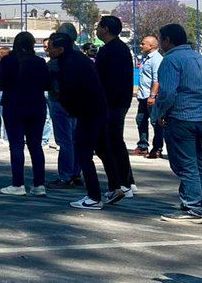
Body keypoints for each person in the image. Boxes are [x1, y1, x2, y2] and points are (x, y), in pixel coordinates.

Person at [153, 24, 202, 222]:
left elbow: (168, 92)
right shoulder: (200, 58)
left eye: (161, 39)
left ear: (168, 40)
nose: (160, 44)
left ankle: (192, 207)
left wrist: (159, 113)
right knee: (200, 163)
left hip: (181, 118)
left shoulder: (171, 60)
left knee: (186, 165)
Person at [50, 32, 111, 210]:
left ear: (60, 49)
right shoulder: (78, 59)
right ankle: (116, 186)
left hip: (88, 112)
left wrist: (72, 110)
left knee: (84, 154)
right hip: (95, 109)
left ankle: (94, 197)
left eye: (50, 47)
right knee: (102, 150)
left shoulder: (69, 64)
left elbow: (70, 91)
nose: (47, 50)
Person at [0, 32, 49, 196]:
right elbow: (47, 84)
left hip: (14, 106)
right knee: (36, 146)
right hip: (36, 107)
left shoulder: (8, 61)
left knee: (16, 146)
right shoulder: (39, 62)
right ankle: (39, 184)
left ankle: (18, 183)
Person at [94, 16, 136, 202]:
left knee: (111, 143)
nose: (97, 29)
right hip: (118, 102)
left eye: (98, 26)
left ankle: (123, 184)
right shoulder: (120, 49)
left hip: (111, 103)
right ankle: (126, 182)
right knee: (115, 142)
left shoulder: (110, 51)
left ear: (105, 29)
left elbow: (103, 80)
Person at [46, 24, 83, 189]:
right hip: (77, 102)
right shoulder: (79, 54)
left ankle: (66, 175)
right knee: (74, 139)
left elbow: (48, 72)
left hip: (61, 101)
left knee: (65, 140)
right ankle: (75, 172)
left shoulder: (60, 57)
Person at [134, 35, 164, 158]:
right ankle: (142, 146)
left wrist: (152, 96)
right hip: (143, 95)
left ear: (151, 46)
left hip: (151, 97)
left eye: (143, 44)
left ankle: (157, 148)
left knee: (155, 122)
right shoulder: (146, 58)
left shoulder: (156, 59)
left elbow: (157, 80)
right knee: (140, 120)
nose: (141, 46)